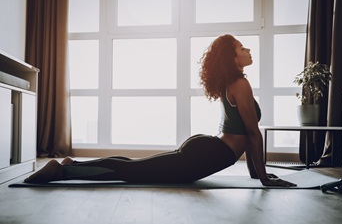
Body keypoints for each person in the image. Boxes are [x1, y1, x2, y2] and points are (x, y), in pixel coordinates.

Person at [25, 34, 296, 187]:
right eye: (241, 47)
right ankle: (61, 172)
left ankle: (74, 165)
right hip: (208, 154)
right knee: (134, 173)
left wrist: (257, 175)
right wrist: (262, 178)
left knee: (137, 168)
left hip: (208, 150)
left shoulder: (234, 83)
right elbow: (252, 133)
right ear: (233, 58)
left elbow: (248, 136)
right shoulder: (241, 84)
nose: (247, 49)